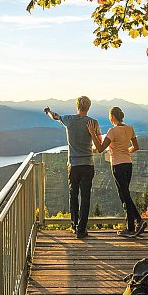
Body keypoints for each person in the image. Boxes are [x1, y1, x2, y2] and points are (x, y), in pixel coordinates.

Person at [45, 96, 103, 239]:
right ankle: (81, 230)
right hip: (88, 165)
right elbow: (99, 143)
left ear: (77, 106)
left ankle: (74, 225)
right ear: (89, 107)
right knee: (85, 197)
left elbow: (55, 116)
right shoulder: (93, 122)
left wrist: (48, 111)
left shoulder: (69, 120)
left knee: (73, 195)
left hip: (74, 165)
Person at [96, 106, 146, 238]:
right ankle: (132, 225)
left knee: (124, 195)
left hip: (117, 165)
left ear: (112, 117)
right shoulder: (130, 129)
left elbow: (101, 148)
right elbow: (136, 147)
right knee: (126, 194)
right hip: (128, 164)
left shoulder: (112, 131)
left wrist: (92, 133)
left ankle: (136, 223)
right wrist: (125, 152)